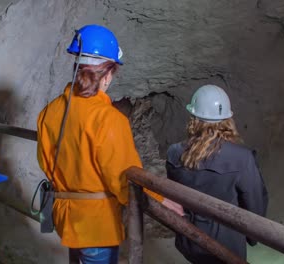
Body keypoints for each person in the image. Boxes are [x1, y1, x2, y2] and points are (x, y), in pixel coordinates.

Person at [36, 24, 182, 264]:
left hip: (66, 217)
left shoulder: (49, 113)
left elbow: (45, 161)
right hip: (96, 225)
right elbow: (125, 178)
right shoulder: (109, 119)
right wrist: (161, 198)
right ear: (108, 74)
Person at [166, 85, 269, 263]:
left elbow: (175, 195)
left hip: (189, 236)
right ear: (227, 119)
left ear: (193, 118)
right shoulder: (241, 158)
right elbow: (255, 201)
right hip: (226, 243)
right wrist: (253, 237)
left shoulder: (174, 153)